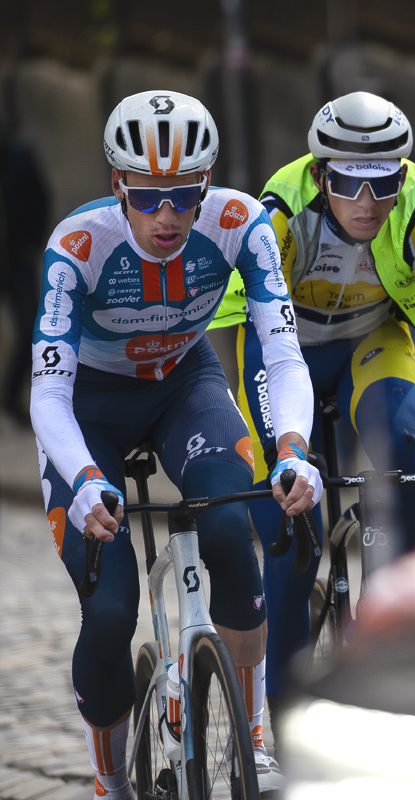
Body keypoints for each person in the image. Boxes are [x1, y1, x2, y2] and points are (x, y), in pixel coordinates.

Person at [31, 91, 321, 798]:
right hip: (89, 406)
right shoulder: (77, 247)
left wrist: (292, 447)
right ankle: (110, 783)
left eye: (186, 196)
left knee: (231, 532)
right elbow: (48, 393)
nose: (168, 217)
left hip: (184, 385)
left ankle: (254, 738)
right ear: (118, 186)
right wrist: (86, 478)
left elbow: (282, 352)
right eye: (147, 197)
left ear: (207, 185)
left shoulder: (239, 223)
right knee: (109, 611)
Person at [211, 91, 415, 711]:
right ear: (322, 176)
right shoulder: (279, 217)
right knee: (293, 542)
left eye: (384, 183)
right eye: (350, 183)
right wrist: (286, 452)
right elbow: (260, 344)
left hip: (371, 344)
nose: (369, 203)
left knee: (403, 443)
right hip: (283, 351)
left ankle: (397, 613)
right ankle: (283, 715)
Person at [0, 126, 50, 422]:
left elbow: (40, 199)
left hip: (17, 258)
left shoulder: (18, 155)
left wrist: (33, 243)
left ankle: (12, 397)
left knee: (31, 327)